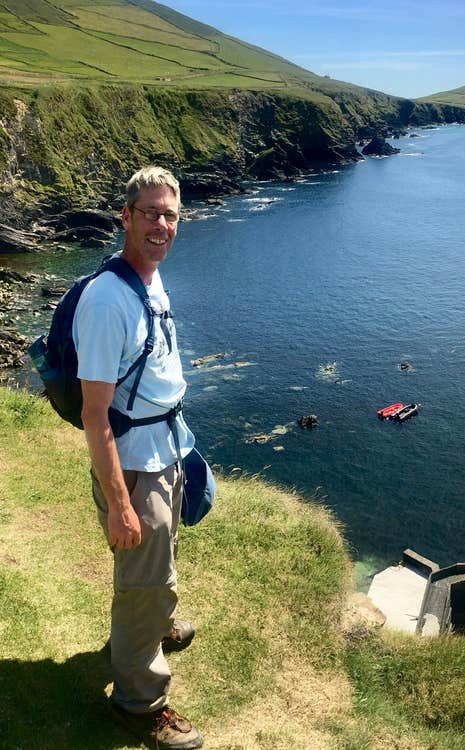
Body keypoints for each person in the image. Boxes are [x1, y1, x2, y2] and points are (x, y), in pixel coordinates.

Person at [75, 167, 203, 750]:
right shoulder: (108, 300)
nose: (161, 225)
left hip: (164, 447)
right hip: (133, 462)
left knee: (162, 556)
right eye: (149, 213)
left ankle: (154, 625)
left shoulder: (148, 277)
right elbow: (95, 414)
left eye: (170, 215)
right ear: (125, 216)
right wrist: (120, 505)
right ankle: (139, 702)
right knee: (143, 578)